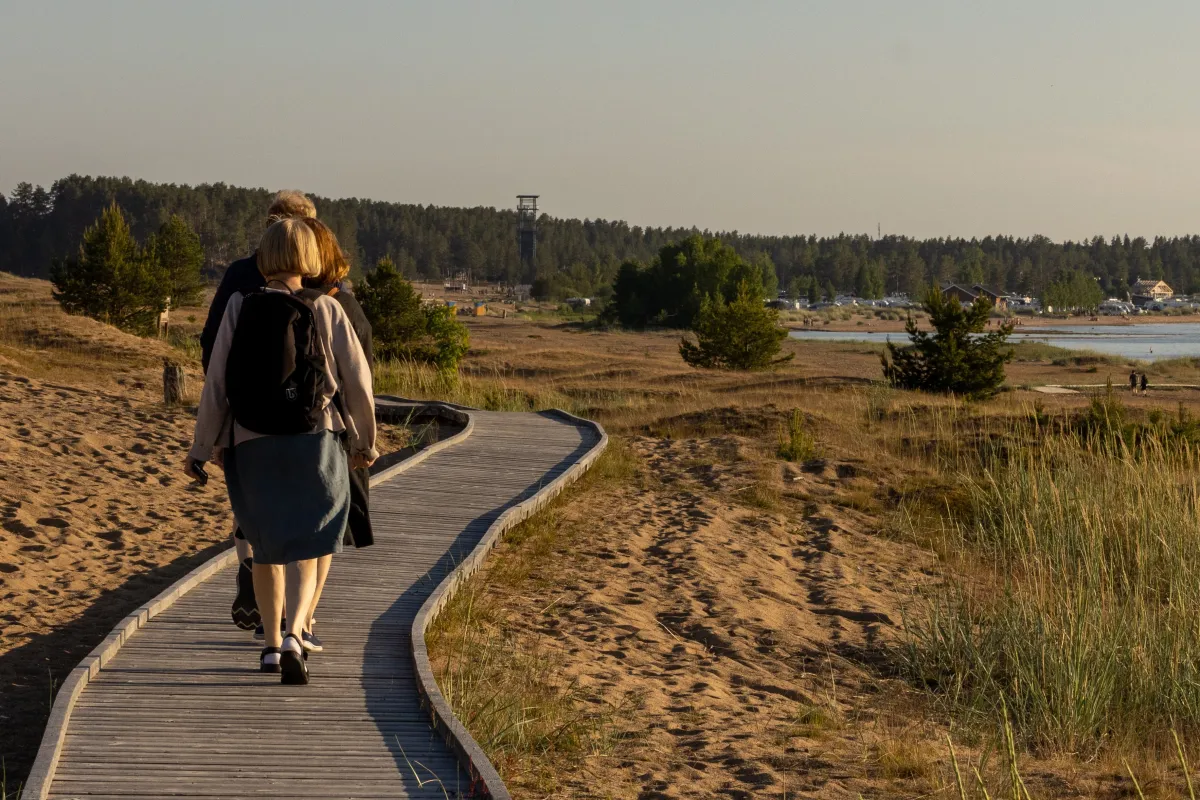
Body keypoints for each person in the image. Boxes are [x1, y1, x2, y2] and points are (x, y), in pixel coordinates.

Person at [185, 218, 377, 684]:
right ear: (309, 258)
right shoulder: (327, 309)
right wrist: (366, 442)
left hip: (250, 444)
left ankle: (271, 646)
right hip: (316, 441)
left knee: (264, 546)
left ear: (265, 258)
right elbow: (357, 381)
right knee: (309, 543)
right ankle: (296, 634)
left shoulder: (238, 305)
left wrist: (202, 445)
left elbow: (216, 384)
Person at [199, 191, 317, 633]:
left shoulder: (239, 275)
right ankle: (297, 621)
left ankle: (250, 566)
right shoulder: (314, 280)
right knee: (303, 513)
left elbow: (212, 342)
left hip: (244, 412)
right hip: (305, 417)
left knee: (249, 503)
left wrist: (220, 411)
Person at [295, 217, 376, 654]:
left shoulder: (262, 301)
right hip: (329, 434)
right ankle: (302, 623)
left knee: (287, 531)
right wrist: (366, 443)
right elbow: (361, 382)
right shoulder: (340, 305)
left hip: (267, 434)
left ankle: (285, 626)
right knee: (324, 532)